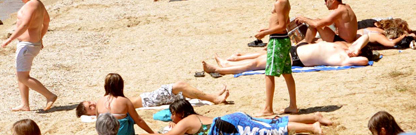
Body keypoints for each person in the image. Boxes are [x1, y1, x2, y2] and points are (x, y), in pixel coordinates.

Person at [1, 0, 57, 112]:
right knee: (21, 74)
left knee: (23, 77)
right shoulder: (39, 3)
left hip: (27, 45)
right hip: (31, 44)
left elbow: (25, 25)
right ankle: (25, 104)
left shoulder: (31, 5)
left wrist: (9, 39)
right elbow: (46, 22)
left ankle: (49, 95)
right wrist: (40, 38)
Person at [202, 33, 373, 75]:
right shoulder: (344, 47)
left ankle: (219, 70)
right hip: (295, 50)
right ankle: (227, 63)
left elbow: (365, 60)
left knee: (254, 65)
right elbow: (366, 36)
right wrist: (357, 47)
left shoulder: (344, 59)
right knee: (260, 58)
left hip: (296, 59)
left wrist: (357, 53)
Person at [295, 0, 408, 48]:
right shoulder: (346, 7)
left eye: (326, 1)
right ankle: (305, 42)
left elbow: (319, 24)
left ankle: (303, 45)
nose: (325, 4)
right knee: (316, 24)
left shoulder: (339, 11)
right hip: (348, 38)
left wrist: (304, 19)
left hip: (343, 41)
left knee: (314, 25)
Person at [255, 0, 297, 116]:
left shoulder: (280, 2)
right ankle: (293, 105)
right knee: (286, 73)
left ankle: (268, 108)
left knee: (269, 74)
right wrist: (267, 30)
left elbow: (282, 26)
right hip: (282, 39)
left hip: (278, 39)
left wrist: (265, 33)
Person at [76, 80, 229, 117]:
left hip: (148, 98)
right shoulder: (105, 112)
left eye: (90, 102)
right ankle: (214, 98)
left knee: (182, 90)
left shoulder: (103, 104)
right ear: (90, 114)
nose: (93, 104)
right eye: (90, 107)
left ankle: (212, 96)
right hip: (149, 100)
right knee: (180, 86)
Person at [82, 73, 154, 134]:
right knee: (129, 116)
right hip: (122, 132)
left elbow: (98, 123)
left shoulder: (100, 101)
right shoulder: (125, 101)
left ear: (106, 86)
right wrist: (152, 133)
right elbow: (139, 120)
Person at [213, 112, 330, 134]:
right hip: (229, 120)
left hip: (227, 125)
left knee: (273, 129)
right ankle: (314, 117)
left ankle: (313, 128)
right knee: (274, 122)